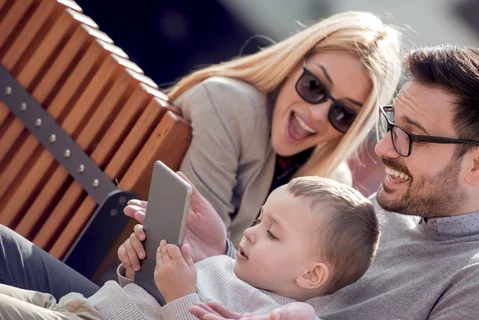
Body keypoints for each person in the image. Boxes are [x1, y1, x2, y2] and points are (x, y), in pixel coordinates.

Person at [0, 45, 479, 320]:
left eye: (410, 135)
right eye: (390, 124)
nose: (383, 148)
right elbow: (287, 291)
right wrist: (224, 254)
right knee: (7, 251)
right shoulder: (401, 201)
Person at [0, 177, 379, 320]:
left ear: (311, 276)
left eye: (272, 233)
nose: (249, 231)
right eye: (260, 219)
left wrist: (181, 295)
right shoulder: (227, 266)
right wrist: (138, 270)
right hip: (73, 307)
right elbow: (151, 305)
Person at [149, 10, 402, 246]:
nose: (317, 114)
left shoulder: (333, 182)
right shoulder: (226, 105)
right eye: (314, 86)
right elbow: (197, 245)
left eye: (344, 113)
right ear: (293, 63)